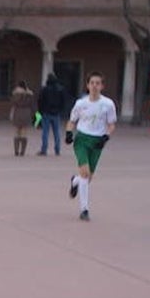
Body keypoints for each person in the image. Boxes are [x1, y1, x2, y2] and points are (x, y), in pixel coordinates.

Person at [64, 71, 117, 221]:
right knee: (85, 173)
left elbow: (112, 124)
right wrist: (69, 133)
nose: (94, 86)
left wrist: (106, 136)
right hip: (82, 140)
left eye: (97, 83)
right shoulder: (81, 104)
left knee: (87, 177)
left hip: (97, 141)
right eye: (92, 83)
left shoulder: (108, 104)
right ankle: (84, 209)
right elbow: (72, 121)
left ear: (102, 86)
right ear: (87, 85)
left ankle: (75, 181)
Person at [37, 74, 67, 156]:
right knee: (56, 132)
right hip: (56, 113)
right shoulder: (60, 89)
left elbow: (40, 101)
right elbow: (63, 101)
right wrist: (60, 110)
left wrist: (40, 111)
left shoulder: (45, 89)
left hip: (46, 113)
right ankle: (57, 149)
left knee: (45, 132)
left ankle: (44, 149)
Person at [9, 80, 36, 156]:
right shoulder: (30, 94)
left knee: (16, 133)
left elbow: (12, 103)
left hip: (17, 114)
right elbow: (32, 105)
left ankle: (16, 151)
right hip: (26, 114)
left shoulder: (15, 94)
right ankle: (23, 151)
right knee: (24, 133)